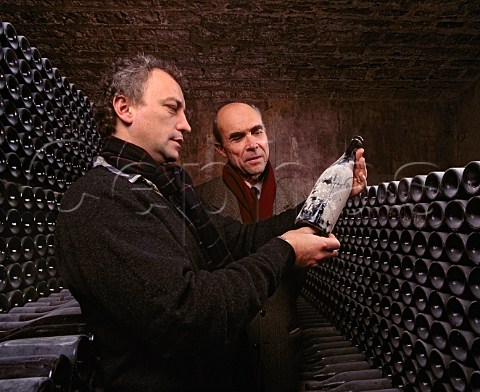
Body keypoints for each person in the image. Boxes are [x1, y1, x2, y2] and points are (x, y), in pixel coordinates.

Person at [55, 53, 367, 392]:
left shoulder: (166, 192)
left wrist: (333, 193)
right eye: (172, 108)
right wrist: (287, 251)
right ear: (124, 107)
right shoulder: (100, 201)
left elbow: (243, 241)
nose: (186, 124)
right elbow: (189, 317)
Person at [195, 102, 307, 392]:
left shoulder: (297, 200)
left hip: (282, 346)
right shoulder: (201, 200)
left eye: (257, 132)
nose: (252, 144)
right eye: (237, 137)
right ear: (220, 149)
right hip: (226, 355)